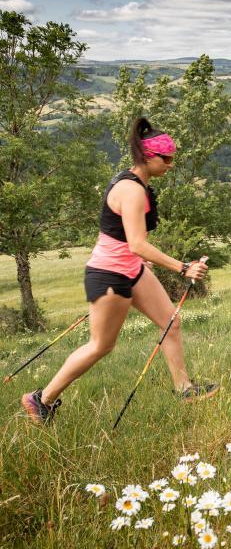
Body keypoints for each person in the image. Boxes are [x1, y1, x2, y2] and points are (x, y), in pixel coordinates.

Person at [21, 118, 218, 424]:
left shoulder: (139, 185)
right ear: (147, 157)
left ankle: (184, 389)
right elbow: (138, 243)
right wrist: (183, 267)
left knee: (170, 322)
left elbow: (129, 241)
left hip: (131, 269)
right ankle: (41, 400)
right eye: (165, 158)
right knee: (101, 346)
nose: (171, 164)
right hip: (109, 276)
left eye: (172, 158)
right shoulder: (131, 190)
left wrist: (140, 259)